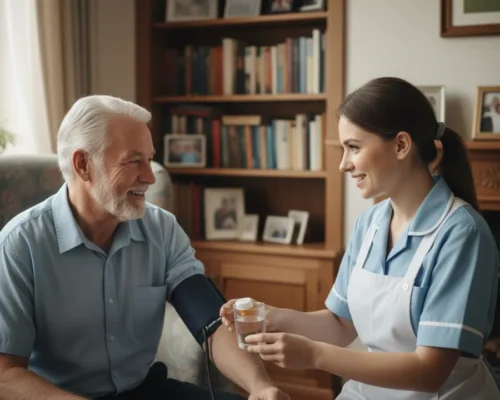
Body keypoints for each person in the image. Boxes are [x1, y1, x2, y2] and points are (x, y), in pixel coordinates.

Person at [220, 77, 500, 399]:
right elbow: (340, 325)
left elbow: (430, 372)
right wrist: (270, 316)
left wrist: (314, 355)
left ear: (401, 145)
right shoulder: (370, 223)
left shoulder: (462, 234)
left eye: (353, 147)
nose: (343, 164)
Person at [0, 95, 289, 400]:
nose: (150, 177)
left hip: (143, 390)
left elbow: (210, 320)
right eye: (133, 161)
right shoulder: (19, 247)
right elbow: (5, 374)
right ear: (83, 164)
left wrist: (260, 385)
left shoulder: (162, 229)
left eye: (149, 159)